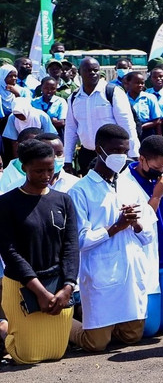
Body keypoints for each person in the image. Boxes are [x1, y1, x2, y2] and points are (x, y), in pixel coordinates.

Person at [68, 124, 154, 352]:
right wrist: (115, 227)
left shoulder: (130, 185)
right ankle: (64, 322)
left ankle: (107, 325)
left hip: (130, 271)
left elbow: (147, 236)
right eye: (116, 151)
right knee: (95, 344)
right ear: (99, 150)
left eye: (125, 151)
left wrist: (135, 224)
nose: (122, 157)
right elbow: (80, 240)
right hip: (101, 272)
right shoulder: (81, 191)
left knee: (132, 337)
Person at [0, 139, 78, 364]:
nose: (46, 175)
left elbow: (71, 247)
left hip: (58, 286)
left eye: (50, 169)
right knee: (27, 356)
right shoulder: (6, 204)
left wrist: (67, 287)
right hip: (23, 285)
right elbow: (10, 252)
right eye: (39, 170)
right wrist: (40, 292)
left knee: (55, 353)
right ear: (24, 168)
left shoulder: (63, 201)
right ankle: (3, 329)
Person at [120, 135, 163, 337]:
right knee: (149, 329)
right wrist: (156, 196)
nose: (161, 171)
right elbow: (140, 224)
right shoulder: (124, 183)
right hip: (145, 261)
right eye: (156, 167)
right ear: (141, 158)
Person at [65, 58, 139, 175]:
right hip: (87, 155)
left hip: (112, 155)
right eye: (88, 70)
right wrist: (67, 160)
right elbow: (70, 130)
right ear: (79, 72)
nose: (93, 73)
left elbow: (127, 124)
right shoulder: (74, 98)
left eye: (96, 70)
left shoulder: (113, 92)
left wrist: (134, 154)